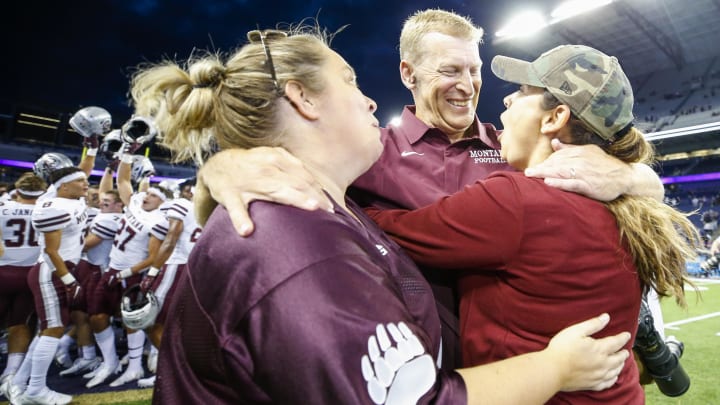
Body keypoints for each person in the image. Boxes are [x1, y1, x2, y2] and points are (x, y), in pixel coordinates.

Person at [129, 24, 630, 404]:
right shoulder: (372, 152)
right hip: (416, 370)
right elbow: (303, 177)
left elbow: (604, 169)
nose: (469, 84)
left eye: (473, 70)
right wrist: (223, 164)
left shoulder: (508, 148)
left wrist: (633, 178)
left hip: (483, 375)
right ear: (408, 75)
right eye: (450, 70)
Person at [365, 44, 699, 404]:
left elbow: (390, 229)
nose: (506, 100)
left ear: (554, 117)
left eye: (523, 91)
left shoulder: (516, 200)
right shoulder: (623, 198)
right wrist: (633, 175)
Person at [85, 153, 168, 389]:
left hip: (131, 274)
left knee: (133, 320)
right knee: (97, 315)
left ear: (162, 202)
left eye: (153, 195)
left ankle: (134, 366)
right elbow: (123, 181)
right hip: (112, 268)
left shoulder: (158, 221)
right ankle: (110, 363)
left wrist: (122, 274)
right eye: (148, 193)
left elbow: (153, 258)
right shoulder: (134, 206)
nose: (147, 195)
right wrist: (127, 154)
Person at [12, 167, 88, 405]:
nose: (86, 184)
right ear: (64, 186)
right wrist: (68, 279)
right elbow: (50, 251)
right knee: (54, 328)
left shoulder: (58, 197)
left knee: (48, 329)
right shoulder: (54, 207)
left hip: (58, 270)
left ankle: (18, 383)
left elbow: (76, 172)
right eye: (81, 181)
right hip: (53, 270)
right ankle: (35, 390)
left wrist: (92, 147)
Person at [0, 173, 47, 396]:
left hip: (2, 270)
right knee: (19, 324)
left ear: (17, 191)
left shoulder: (2, 208)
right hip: (30, 274)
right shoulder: (46, 211)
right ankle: (11, 373)